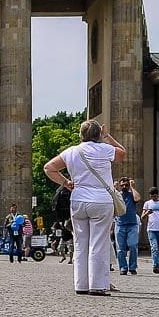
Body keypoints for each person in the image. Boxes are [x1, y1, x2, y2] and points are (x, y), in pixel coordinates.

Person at [43, 119, 128, 296]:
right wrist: (108, 137)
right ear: (98, 134)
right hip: (101, 200)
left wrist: (65, 182)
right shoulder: (105, 149)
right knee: (99, 242)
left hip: (78, 200)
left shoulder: (72, 151)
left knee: (80, 242)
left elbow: (49, 167)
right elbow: (123, 154)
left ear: (81, 135)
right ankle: (97, 285)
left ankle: (80, 284)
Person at [114, 177, 140, 275]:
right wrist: (114, 189)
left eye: (126, 185)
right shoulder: (118, 195)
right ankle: (123, 267)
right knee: (120, 248)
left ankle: (132, 266)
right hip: (120, 224)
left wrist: (133, 187)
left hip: (132, 224)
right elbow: (110, 200)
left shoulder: (131, 195)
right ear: (120, 186)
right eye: (122, 185)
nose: (124, 186)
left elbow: (138, 198)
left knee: (133, 245)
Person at [140, 188, 159, 274]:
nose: (153, 197)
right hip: (151, 229)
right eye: (152, 196)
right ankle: (155, 265)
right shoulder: (147, 203)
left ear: (158, 195)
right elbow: (142, 217)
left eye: (155, 196)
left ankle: (157, 265)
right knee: (154, 247)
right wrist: (147, 213)